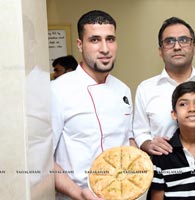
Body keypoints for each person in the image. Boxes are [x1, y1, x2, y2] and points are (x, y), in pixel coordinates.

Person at [51, 10, 133, 200]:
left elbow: (127, 140)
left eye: (110, 39)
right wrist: (78, 193)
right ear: (80, 44)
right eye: (95, 40)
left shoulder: (124, 90)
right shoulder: (56, 90)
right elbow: (42, 159)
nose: (105, 49)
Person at [133, 17, 195, 156]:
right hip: (163, 172)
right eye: (169, 41)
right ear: (160, 51)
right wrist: (148, 144)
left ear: (194, 48)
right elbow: (140, 132)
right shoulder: (145, 89)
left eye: (184, 40)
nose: (177, 47)